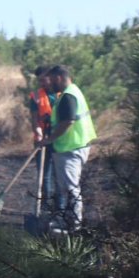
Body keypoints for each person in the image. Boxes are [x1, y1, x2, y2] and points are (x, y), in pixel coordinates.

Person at [37, 64, 97, 231]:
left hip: (70, 148)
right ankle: (64, 220)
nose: (49, 84)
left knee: (70, 188)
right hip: (74, 146)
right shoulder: (73, 91)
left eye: (51, 80)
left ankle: (73, 226)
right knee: (65, 186)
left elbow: (68, 121)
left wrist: (50, 139)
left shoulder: (68, 96)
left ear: (58, 78)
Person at [27, 65, 58, 212]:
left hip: (59, 140)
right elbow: (34, 119)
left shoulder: (62, 93)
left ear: (51, 77)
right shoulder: (36, 96)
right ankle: (45, 207)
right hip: (42, 140)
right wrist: (38, 132)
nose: (42, 83)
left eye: (44, 79)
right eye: (39, 80)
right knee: (44, 175)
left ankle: (61, 208)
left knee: (59, 175)